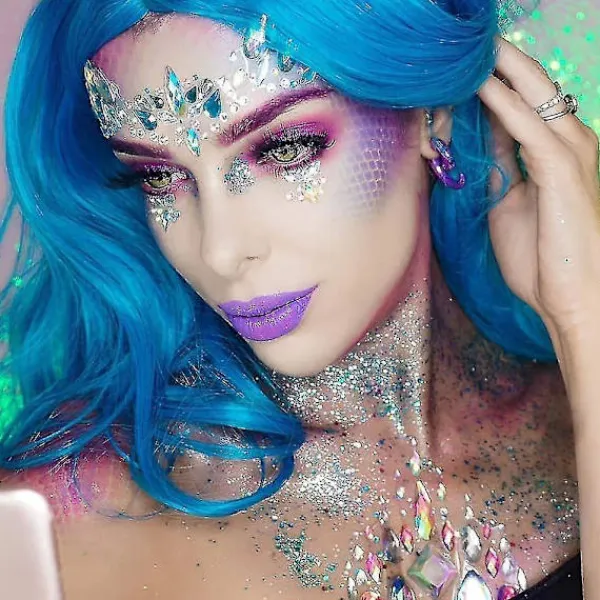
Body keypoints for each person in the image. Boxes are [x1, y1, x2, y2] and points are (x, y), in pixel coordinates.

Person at [0, 1, 598, 598]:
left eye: (284, 150)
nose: (220, 251)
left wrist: (583, 320)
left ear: (429, 115)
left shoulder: (573, 398)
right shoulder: (65, 522)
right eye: (159, 177)